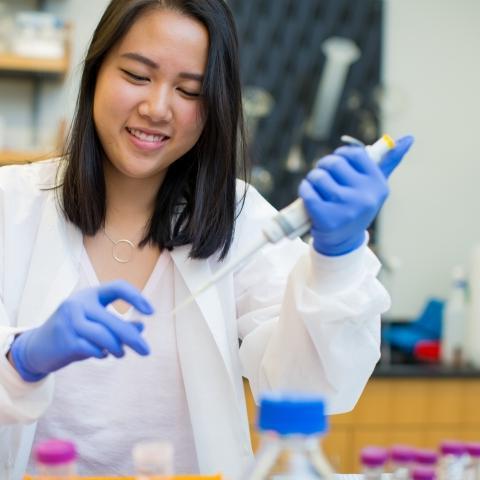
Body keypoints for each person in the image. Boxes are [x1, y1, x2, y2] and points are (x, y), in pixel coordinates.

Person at [0, 0, 413, 478]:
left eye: (189, 90)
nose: (157, 108)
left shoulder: (240, 220)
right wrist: (21, 359)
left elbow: (314, 388)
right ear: (95, 74)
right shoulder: (11, 205)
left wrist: (337, 258)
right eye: (137, 75)